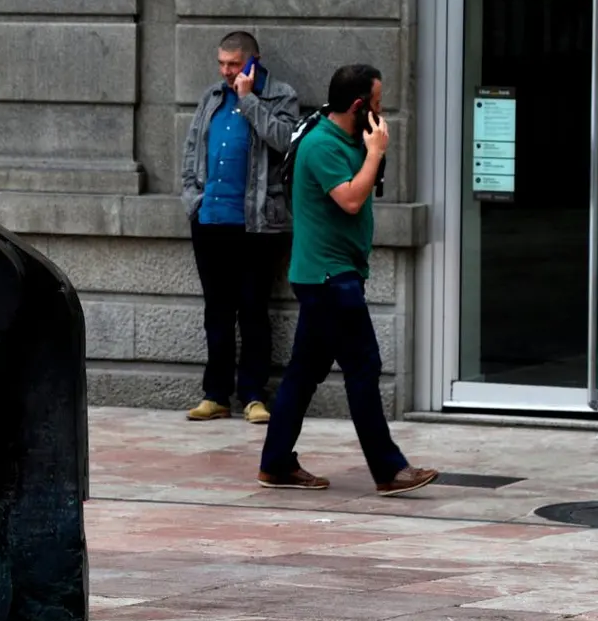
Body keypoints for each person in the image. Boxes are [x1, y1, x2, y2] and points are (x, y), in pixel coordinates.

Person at [257, 64, 437, 496]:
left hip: (334, 274)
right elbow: (352, 200)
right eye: (376, 104)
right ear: (358, 106)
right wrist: (376, 153)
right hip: (329, 278)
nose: (380, 113)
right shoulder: (322, 145)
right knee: (363, 367)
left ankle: (276, 463)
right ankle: (389, 470)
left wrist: (372, 150)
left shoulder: (345, 137)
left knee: (304, 372)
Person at [179, 31, 299, 424]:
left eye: (233, 64)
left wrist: (249, 101)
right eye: (222, 63)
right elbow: (193, 148)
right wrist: (192, 201)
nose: (226, 72)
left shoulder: (280, 96)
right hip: (210, 219)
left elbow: (285, 141)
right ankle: (216, 394)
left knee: (252, 310)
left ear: (253, 61)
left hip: (257, 224)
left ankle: (252, 394)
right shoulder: (212, 96)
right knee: (216, 310)